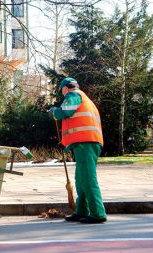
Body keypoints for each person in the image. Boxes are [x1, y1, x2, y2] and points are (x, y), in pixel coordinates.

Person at [50, 77, 107, 224]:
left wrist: (54, 111)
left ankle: (98, 213)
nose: (62, 94)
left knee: (88, 179)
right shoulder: (83, 98)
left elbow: (65, 111)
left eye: (61, 90)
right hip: (87, 143)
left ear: (65, 88)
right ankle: (81, 211)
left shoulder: (74, 95)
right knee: (81, 180)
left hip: (86, 143)